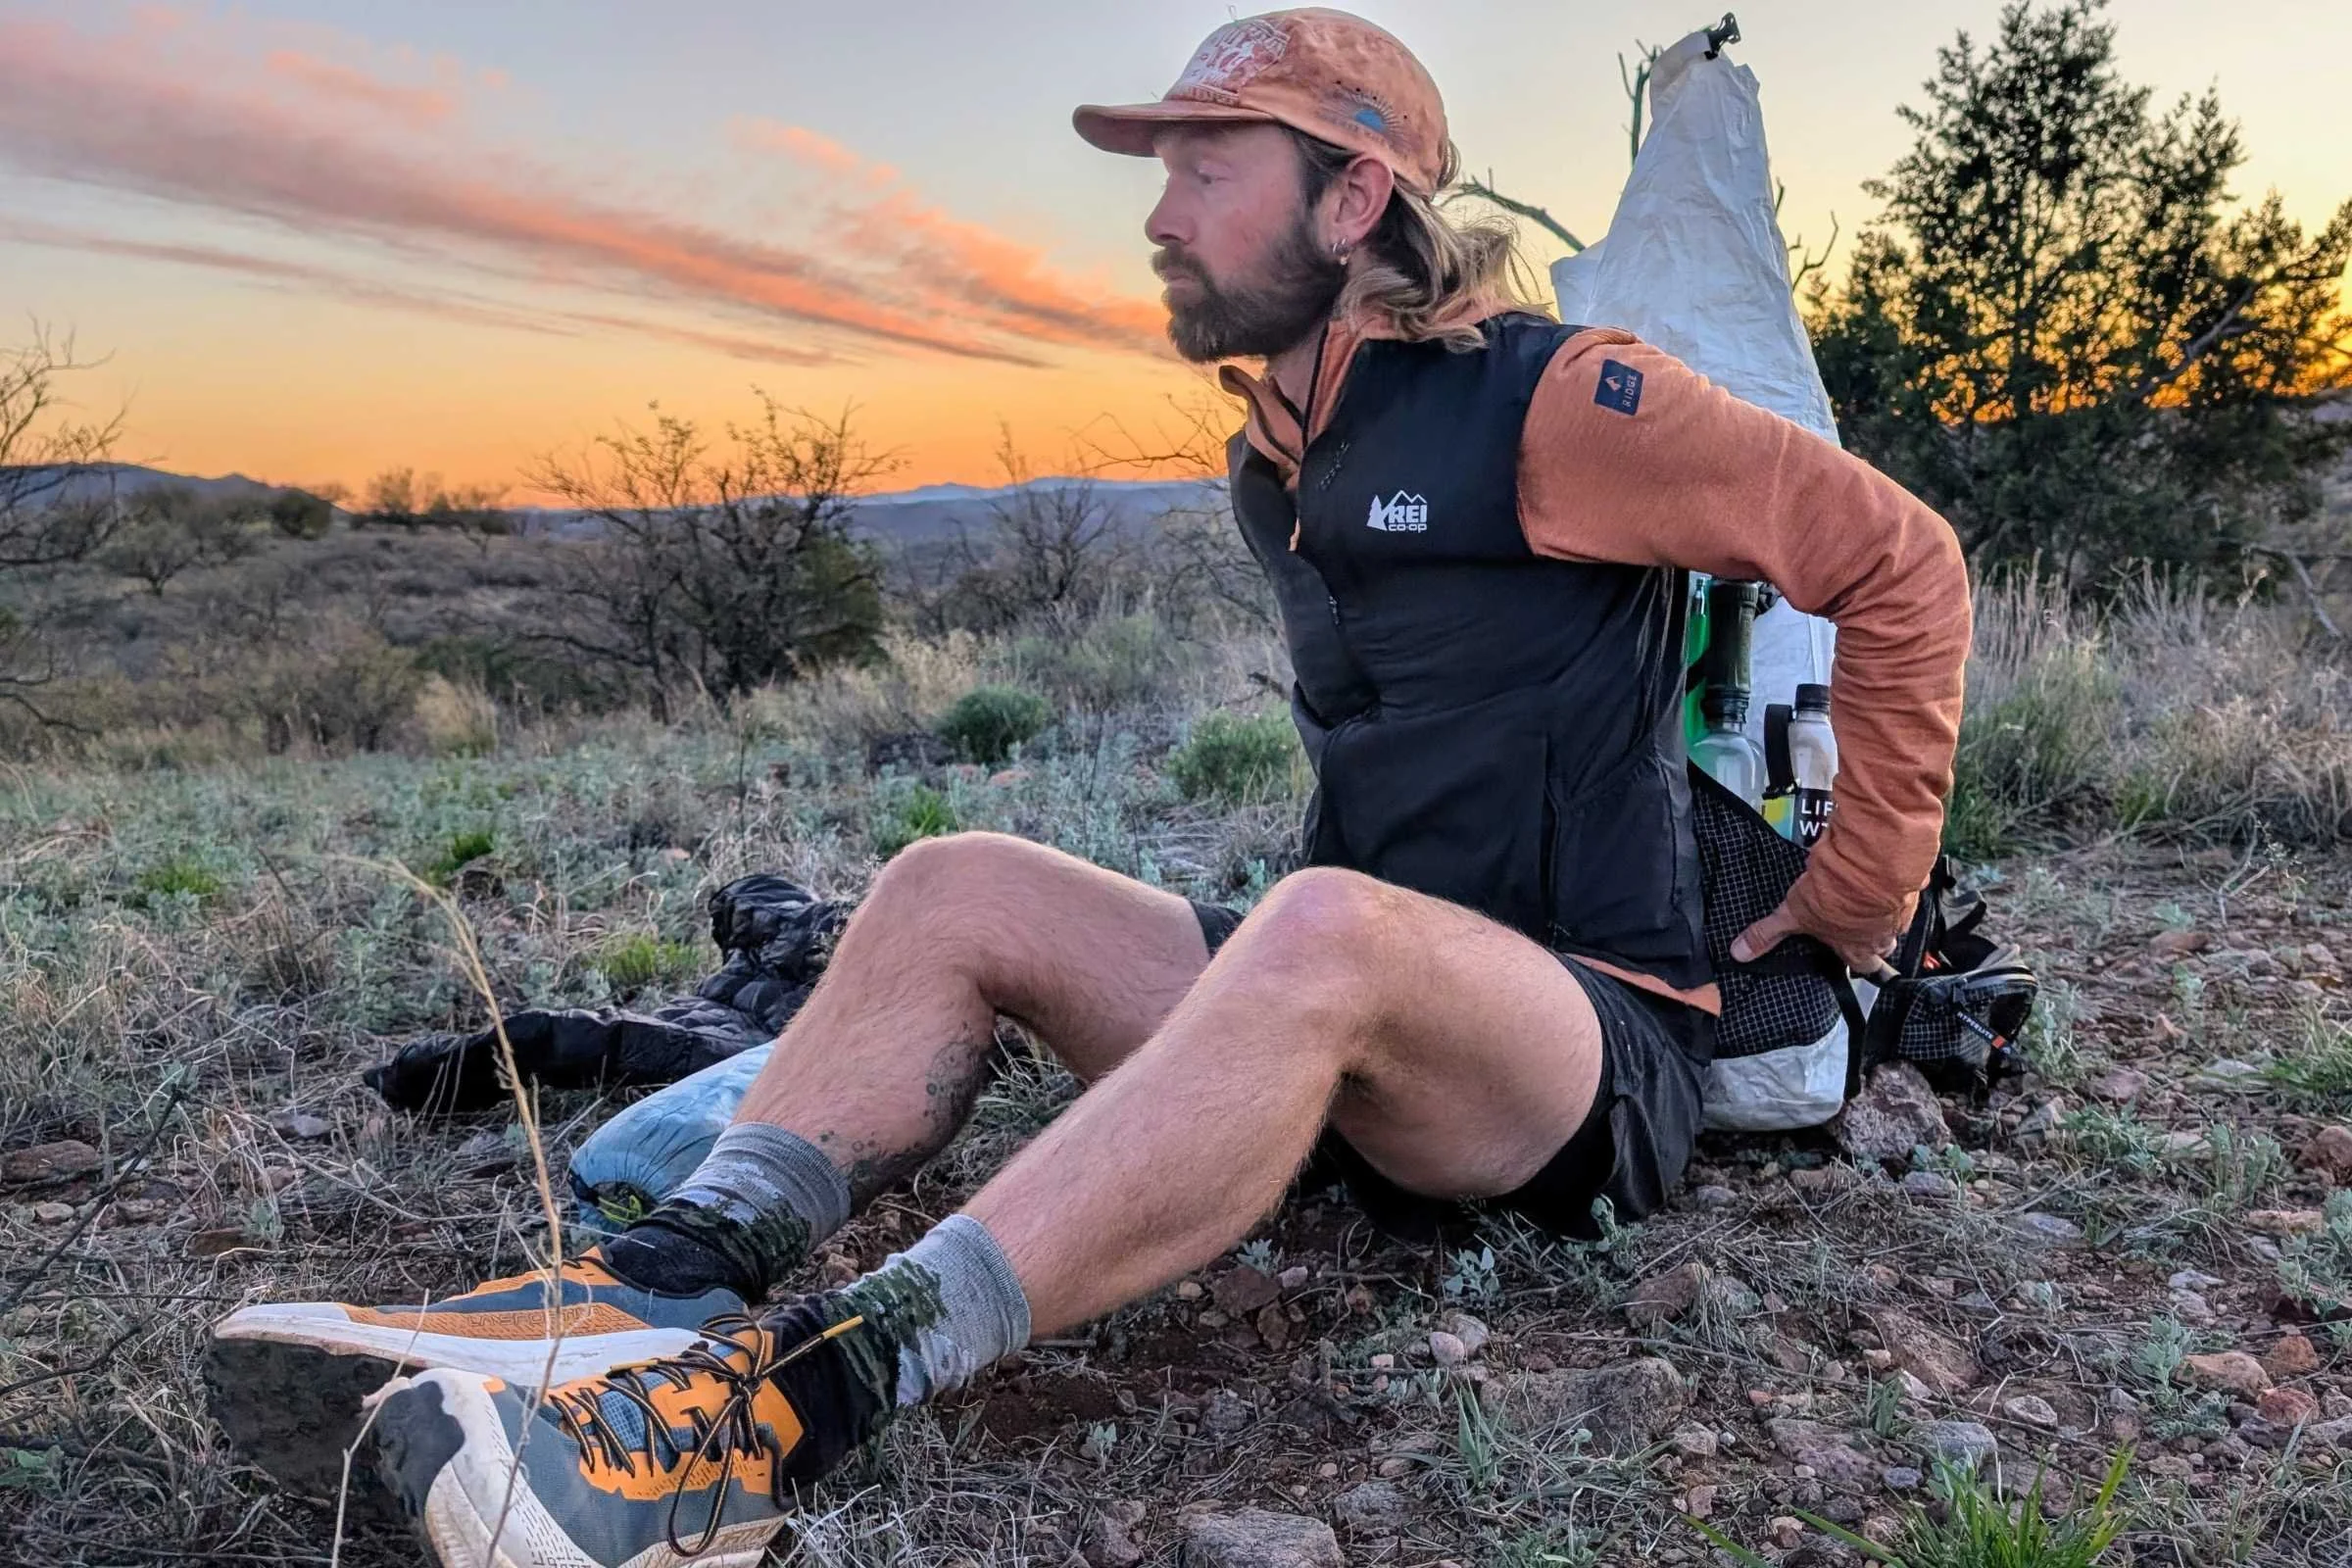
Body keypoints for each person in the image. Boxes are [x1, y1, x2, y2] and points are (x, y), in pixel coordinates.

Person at [208, 10, 1971, 1564]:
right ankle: (644, 1297)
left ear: (1353, 202)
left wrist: (1850, 913)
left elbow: (1904, 565)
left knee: (1325, 926)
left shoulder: (1564, 402)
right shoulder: (1276, 456)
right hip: (1346, 1037)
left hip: (1582, 1056)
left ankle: (781, 1417)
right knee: (955, 878)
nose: (1159, 213)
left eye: (1209, 168)